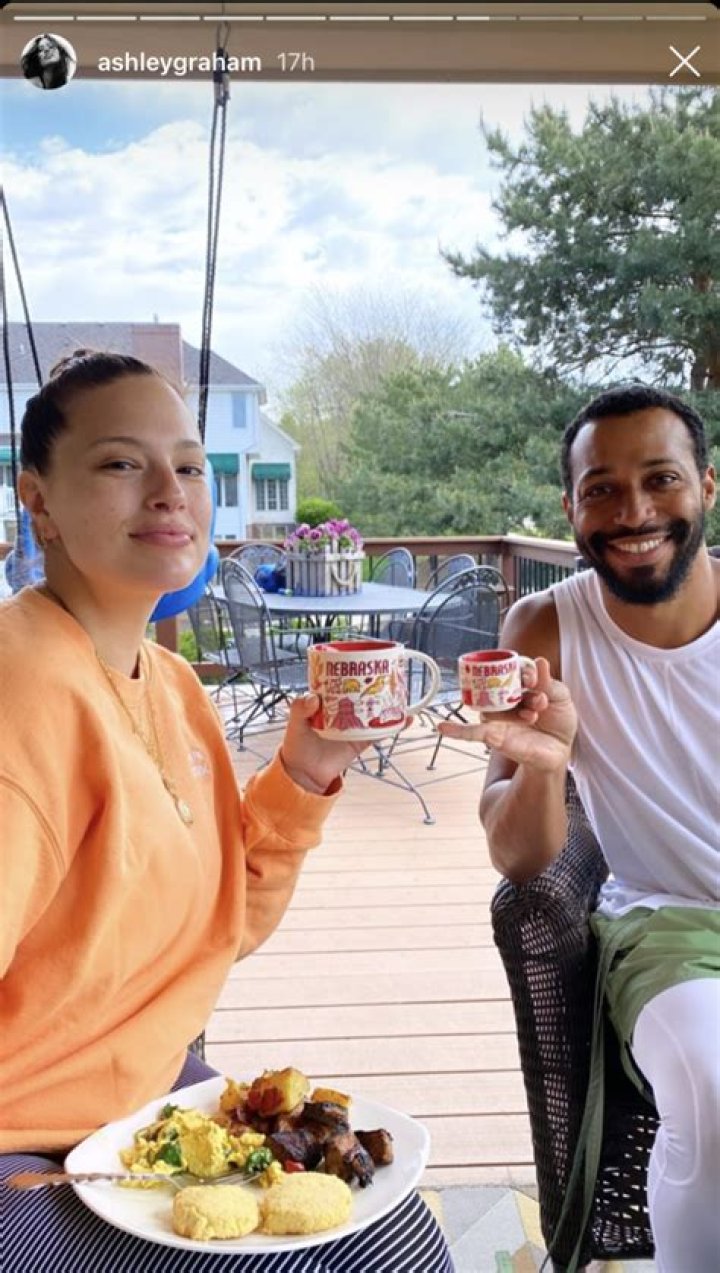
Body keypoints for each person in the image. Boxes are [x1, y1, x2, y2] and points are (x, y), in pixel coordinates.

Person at [0, 351, 454, 1273]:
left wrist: (306, 768)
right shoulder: (20, 696)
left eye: (193, 465)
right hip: (30, 1144)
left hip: (154, 1104)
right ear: (37, 499)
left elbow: (222, 923)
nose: (171, 492)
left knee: (396, 1237)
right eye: (123, 463)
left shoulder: (172, 684)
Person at [441, 384, 719, 1273]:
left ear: (707, 486)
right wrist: (549, 761)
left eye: (661, 479)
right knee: (711, 1093)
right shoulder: (545, 626)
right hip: (670, 925)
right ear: (569, 509)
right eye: (601, 488)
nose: (634, 511)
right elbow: (519, 857)